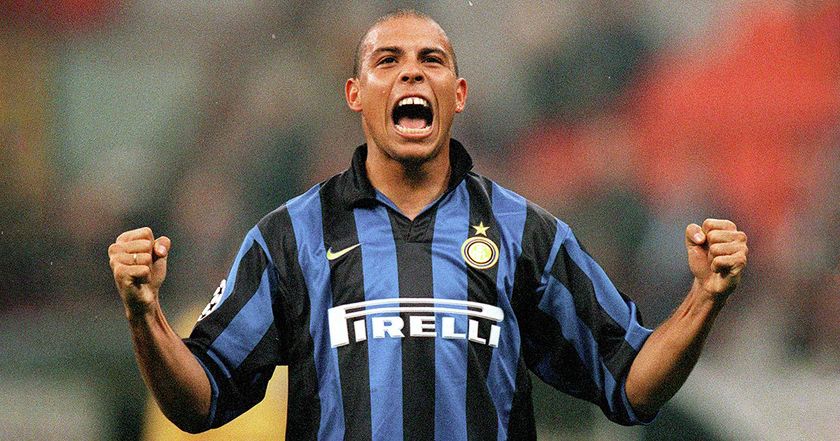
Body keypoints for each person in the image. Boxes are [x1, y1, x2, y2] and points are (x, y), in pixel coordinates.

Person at [107, 10, 748, 440]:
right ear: (356, 93)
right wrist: (144, 313)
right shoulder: (289, 237)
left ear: (459, 93)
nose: (411, 70)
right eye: (387, 60)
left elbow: (633, 383)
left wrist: (703, 299)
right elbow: (198, 400)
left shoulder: (528, 234)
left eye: (430, 59)